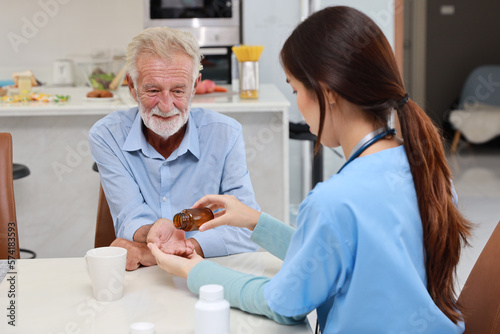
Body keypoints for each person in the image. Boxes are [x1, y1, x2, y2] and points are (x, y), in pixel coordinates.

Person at [147, 6, 472, 333]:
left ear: (327, 93)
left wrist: (193, 271)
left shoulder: (334, 200)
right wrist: (253, 221)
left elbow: (283, 303)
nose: (297, 103)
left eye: (295, 89)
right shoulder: (427, 170)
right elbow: (331, 255)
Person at [88, 26, 260, 270]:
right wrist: (156, 236)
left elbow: (247, 226)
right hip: (143, 280)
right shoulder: (107, 135)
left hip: (204, 272)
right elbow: (131, 215)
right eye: (153, 90)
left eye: (178, 90)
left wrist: (180, 250)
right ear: (132, 87)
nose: (167, 106)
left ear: (195, 86)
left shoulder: (226, 134)